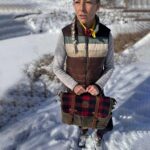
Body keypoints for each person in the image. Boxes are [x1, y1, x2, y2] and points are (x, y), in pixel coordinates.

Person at [53, 0, 114, 148]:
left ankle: (98, 135)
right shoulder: (65, 34)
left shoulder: (106, 34)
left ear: (98, 6)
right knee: (80, 118)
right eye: (77, 2)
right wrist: (73, 86)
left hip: (97, 91)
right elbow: (56, 67)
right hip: (76, 91)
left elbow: (110, 66)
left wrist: (98, 86)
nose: (81, 8)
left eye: (88, 2)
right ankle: (84, 132)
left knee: (105, 123)